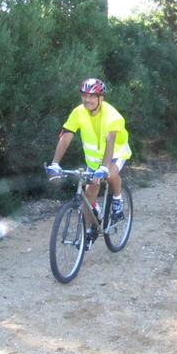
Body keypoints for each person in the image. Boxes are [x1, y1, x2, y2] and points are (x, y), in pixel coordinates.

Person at [46, 78, 131, 244]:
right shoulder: (78, 112)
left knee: (111, 174)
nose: (87, 99)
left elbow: (110, 142)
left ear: (101, 98)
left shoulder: (112, 116)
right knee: (89, 194)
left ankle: (117, 200)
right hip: (93, 160)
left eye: (92, 96)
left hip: (115, 153)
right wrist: (55, 163)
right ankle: (88, 230)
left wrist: (105, 168)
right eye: (84, 95)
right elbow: (66, 137)